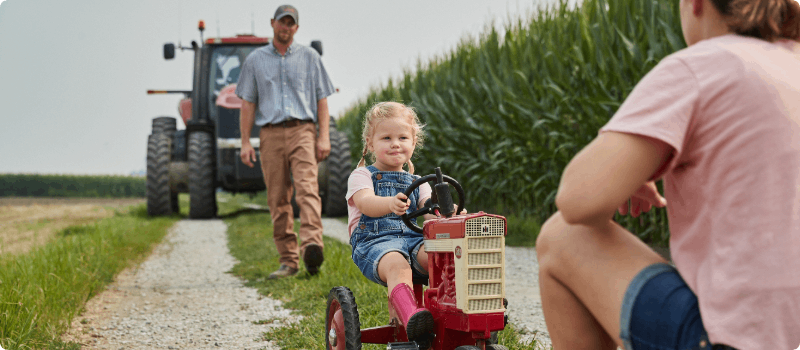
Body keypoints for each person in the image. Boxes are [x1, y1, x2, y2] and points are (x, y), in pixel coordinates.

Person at [534, 0, 800, 349]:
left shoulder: (703, 64)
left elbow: (577, 199)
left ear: (696, 4)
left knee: (563, 236)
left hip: (739, 342)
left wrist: (626, 172)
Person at [236, 4, 336, 279]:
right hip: (269, 133)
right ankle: (288, 261)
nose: (286, 27)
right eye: (282, 22)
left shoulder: (310, 57)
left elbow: (322, 100)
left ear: (296, 28)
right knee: (277, 196)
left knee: (307, 188)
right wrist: (246, 142)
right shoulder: (255, 60)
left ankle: (312, 246)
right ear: (273, 24)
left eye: (291, 23)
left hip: (303, 130)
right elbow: (247, 103)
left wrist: (323, 136)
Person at [345, 102, 443, 342]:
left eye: (402, 137)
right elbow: (366, 202)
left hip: (412, 240)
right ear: (370, 143)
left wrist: (448, 213)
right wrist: (389, 203)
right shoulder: (362, 176)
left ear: (413, 142)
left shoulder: (419, 182)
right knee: (399, 266)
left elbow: (429, 212)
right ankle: (413, 321)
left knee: (441, 259)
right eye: (386, 137)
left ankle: (455, 315)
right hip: (375, 243)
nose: (395, 143)